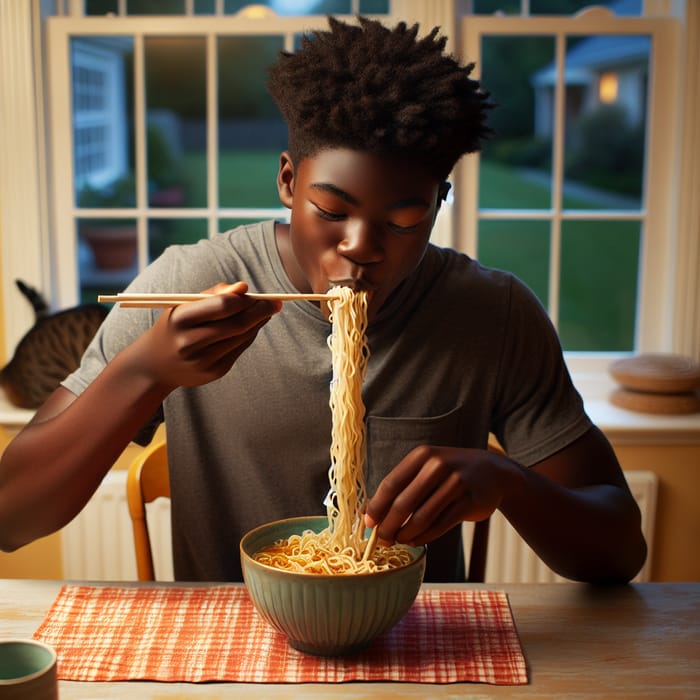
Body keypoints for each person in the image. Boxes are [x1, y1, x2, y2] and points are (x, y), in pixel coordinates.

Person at [0, 16, 646, 583]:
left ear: (439, 204)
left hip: (418, 645)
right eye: (330, 210)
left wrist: (510, 483)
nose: (362, 246)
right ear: (287, 179)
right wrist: (144, 372)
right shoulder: (191, 281)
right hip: (230, 653)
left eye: (403, 220)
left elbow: (619, 554)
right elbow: (11, 517)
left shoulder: (493, 313)